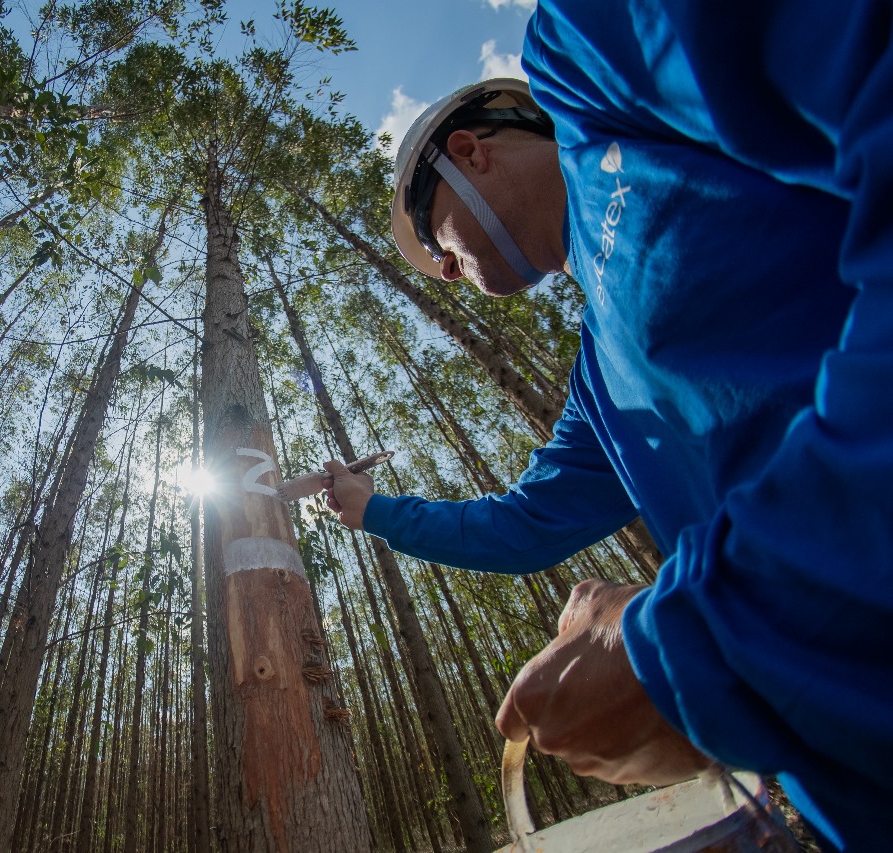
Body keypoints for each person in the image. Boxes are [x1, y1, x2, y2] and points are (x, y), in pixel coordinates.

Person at [322, 2, 893, 850]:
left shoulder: (586, 55)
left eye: (437, 242)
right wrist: (372, 511)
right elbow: (519, 526)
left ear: (470, 152)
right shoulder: (600, 388)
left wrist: (714, 640)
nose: (443, 272)